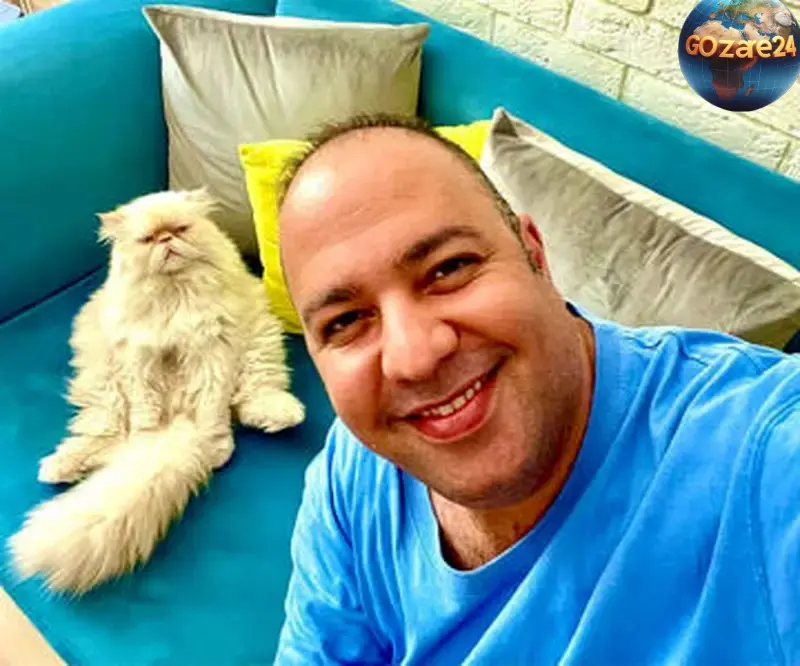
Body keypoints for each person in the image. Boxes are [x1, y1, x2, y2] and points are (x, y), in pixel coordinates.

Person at [273, 114, 800, 665]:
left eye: (449, 268)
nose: (415, 358)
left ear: (536, 256)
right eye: (345, 321)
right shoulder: (354, 475)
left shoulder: (762, 454)